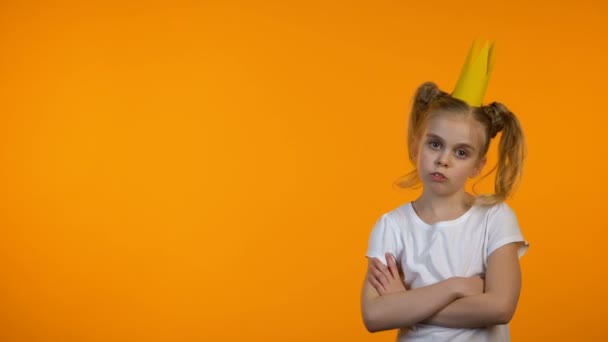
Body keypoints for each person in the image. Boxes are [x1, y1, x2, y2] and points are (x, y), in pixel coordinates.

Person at [360, 40, 529, 341]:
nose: (443, 159)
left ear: (478, 165)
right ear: (416, 147)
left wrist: (406, 303)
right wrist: (456, 287)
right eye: (435, 144)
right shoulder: (392, 226)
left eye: (461, 152)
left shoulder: (494, 218)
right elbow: (374, 315)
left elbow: (500, 307)